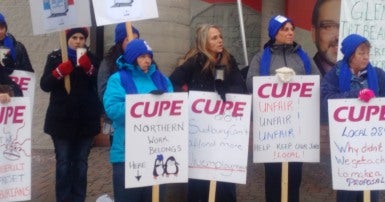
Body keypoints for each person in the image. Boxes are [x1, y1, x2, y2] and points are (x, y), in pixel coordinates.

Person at [169, 24, 247, 202]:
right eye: (214, 38)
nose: (220, 40)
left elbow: (240, 85)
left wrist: (230, 90)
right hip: (201, 131)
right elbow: (172, 83)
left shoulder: (229, 60)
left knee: (225, 178)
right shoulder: (194, 61)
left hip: (225, 129)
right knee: (201, 178)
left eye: (220, 36)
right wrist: (189, 99)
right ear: (204, 42)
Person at [246, 15, 319, 202]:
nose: (290, 32)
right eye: (284, 29)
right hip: (272, 127)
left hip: (298, 126)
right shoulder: (261, 58)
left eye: (291, 29)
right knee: (273, 175)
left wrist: (295, 81)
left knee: (294, 175)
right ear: (274, 33)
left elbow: (317, 82)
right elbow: (250, 84)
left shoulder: (303, 57)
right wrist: (274, 83)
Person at [103, 39, 173, 202]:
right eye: (142, 56)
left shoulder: (161, 79)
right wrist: (143, 105)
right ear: (132, 58)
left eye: (149, 56)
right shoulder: (118, 79)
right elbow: (112, 109)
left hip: (157, 151)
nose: (147, 60)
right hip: (127, 153)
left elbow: (174, 108)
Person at [40, 27, 102, 202]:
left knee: (81, 163)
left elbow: (100, 82)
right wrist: (58, 72)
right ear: (67, 39)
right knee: (64, 163)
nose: (78, 41)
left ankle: (78, 198)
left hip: (86, 120)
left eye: (81, 38)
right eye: (74, 37)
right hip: (61, 120)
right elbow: (45, 85)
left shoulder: (92, 59)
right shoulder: (55, 57)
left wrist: (89, 69)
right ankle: (64, 198)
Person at [320, 34, 384, 202]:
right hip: (346, 147)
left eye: (368, 52)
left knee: (370, 193)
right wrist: (356, 95)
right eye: (361, 53)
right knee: (347, 192)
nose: (366, 57)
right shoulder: (334, 75)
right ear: (350, 55)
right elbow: (326, 102)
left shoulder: (377, 75)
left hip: (372, 146)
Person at [97, 23, 140, 145]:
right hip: (117, 118)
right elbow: (103, 91)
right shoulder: (108, 63)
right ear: (120, 42)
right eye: (128, 40)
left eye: (136, 39)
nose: (133, 43)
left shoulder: (143, 60)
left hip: (141, 117)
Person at [0, 12, 34, 97]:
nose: (0, 31)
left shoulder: (18, 46)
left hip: (16, 92)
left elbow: (28, 71)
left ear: (6, 28)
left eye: (2, 27)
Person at [311, 0, 341, 77]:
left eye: (346, 26)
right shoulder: (303, 75)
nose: (338, 37)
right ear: (314, 33)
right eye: (328, 26)